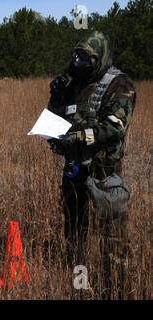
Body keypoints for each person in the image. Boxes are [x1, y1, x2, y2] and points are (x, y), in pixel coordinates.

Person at [47, 31, 136, 298]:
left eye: (86, 57)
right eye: (77, 56)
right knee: (73, 226)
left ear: (100, 58)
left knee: (113, 236)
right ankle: (76, 278)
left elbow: (114, 127)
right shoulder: (75, 84)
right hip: (74, 167)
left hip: (102, 174)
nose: (79, 61)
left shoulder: (119, 84)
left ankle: (116, 288)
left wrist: (79, 136)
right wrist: (57, 94)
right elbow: (57, 117)